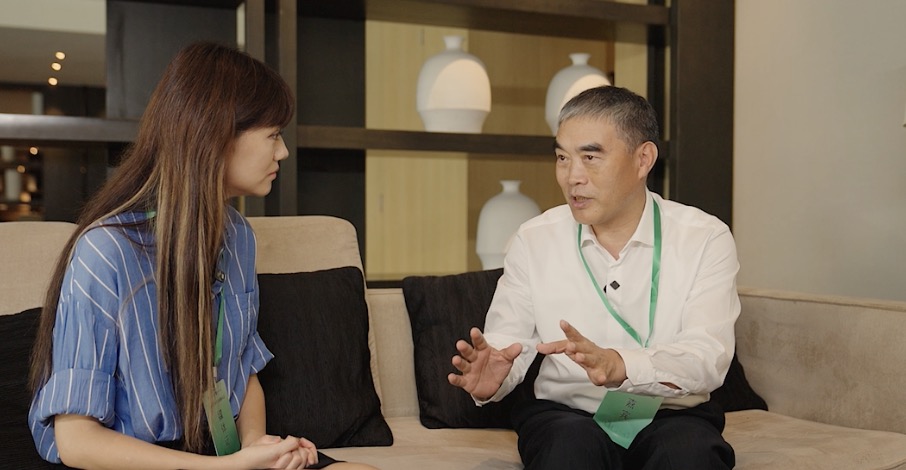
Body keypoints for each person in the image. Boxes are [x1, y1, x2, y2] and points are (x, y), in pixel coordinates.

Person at [28, 42, 377, 470]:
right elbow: (76, 441)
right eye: (273, 134)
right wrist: (227, 468)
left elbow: (243, 370)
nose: (282, 151)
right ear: (217, 135)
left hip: (218, 457)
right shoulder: (105, 251)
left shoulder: (238, 237)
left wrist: (257, 448)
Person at [449, 85, 739, 469]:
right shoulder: (534, 238)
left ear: (643, 159)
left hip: (671, 411)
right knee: (569, 452)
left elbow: (707, 356)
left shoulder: (704, 237)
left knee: (688, 455)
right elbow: (507, 342)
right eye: (562, 158)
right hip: (566, 414)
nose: (573, 177)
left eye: (590, 157)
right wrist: (495, 380)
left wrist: (621, 365)